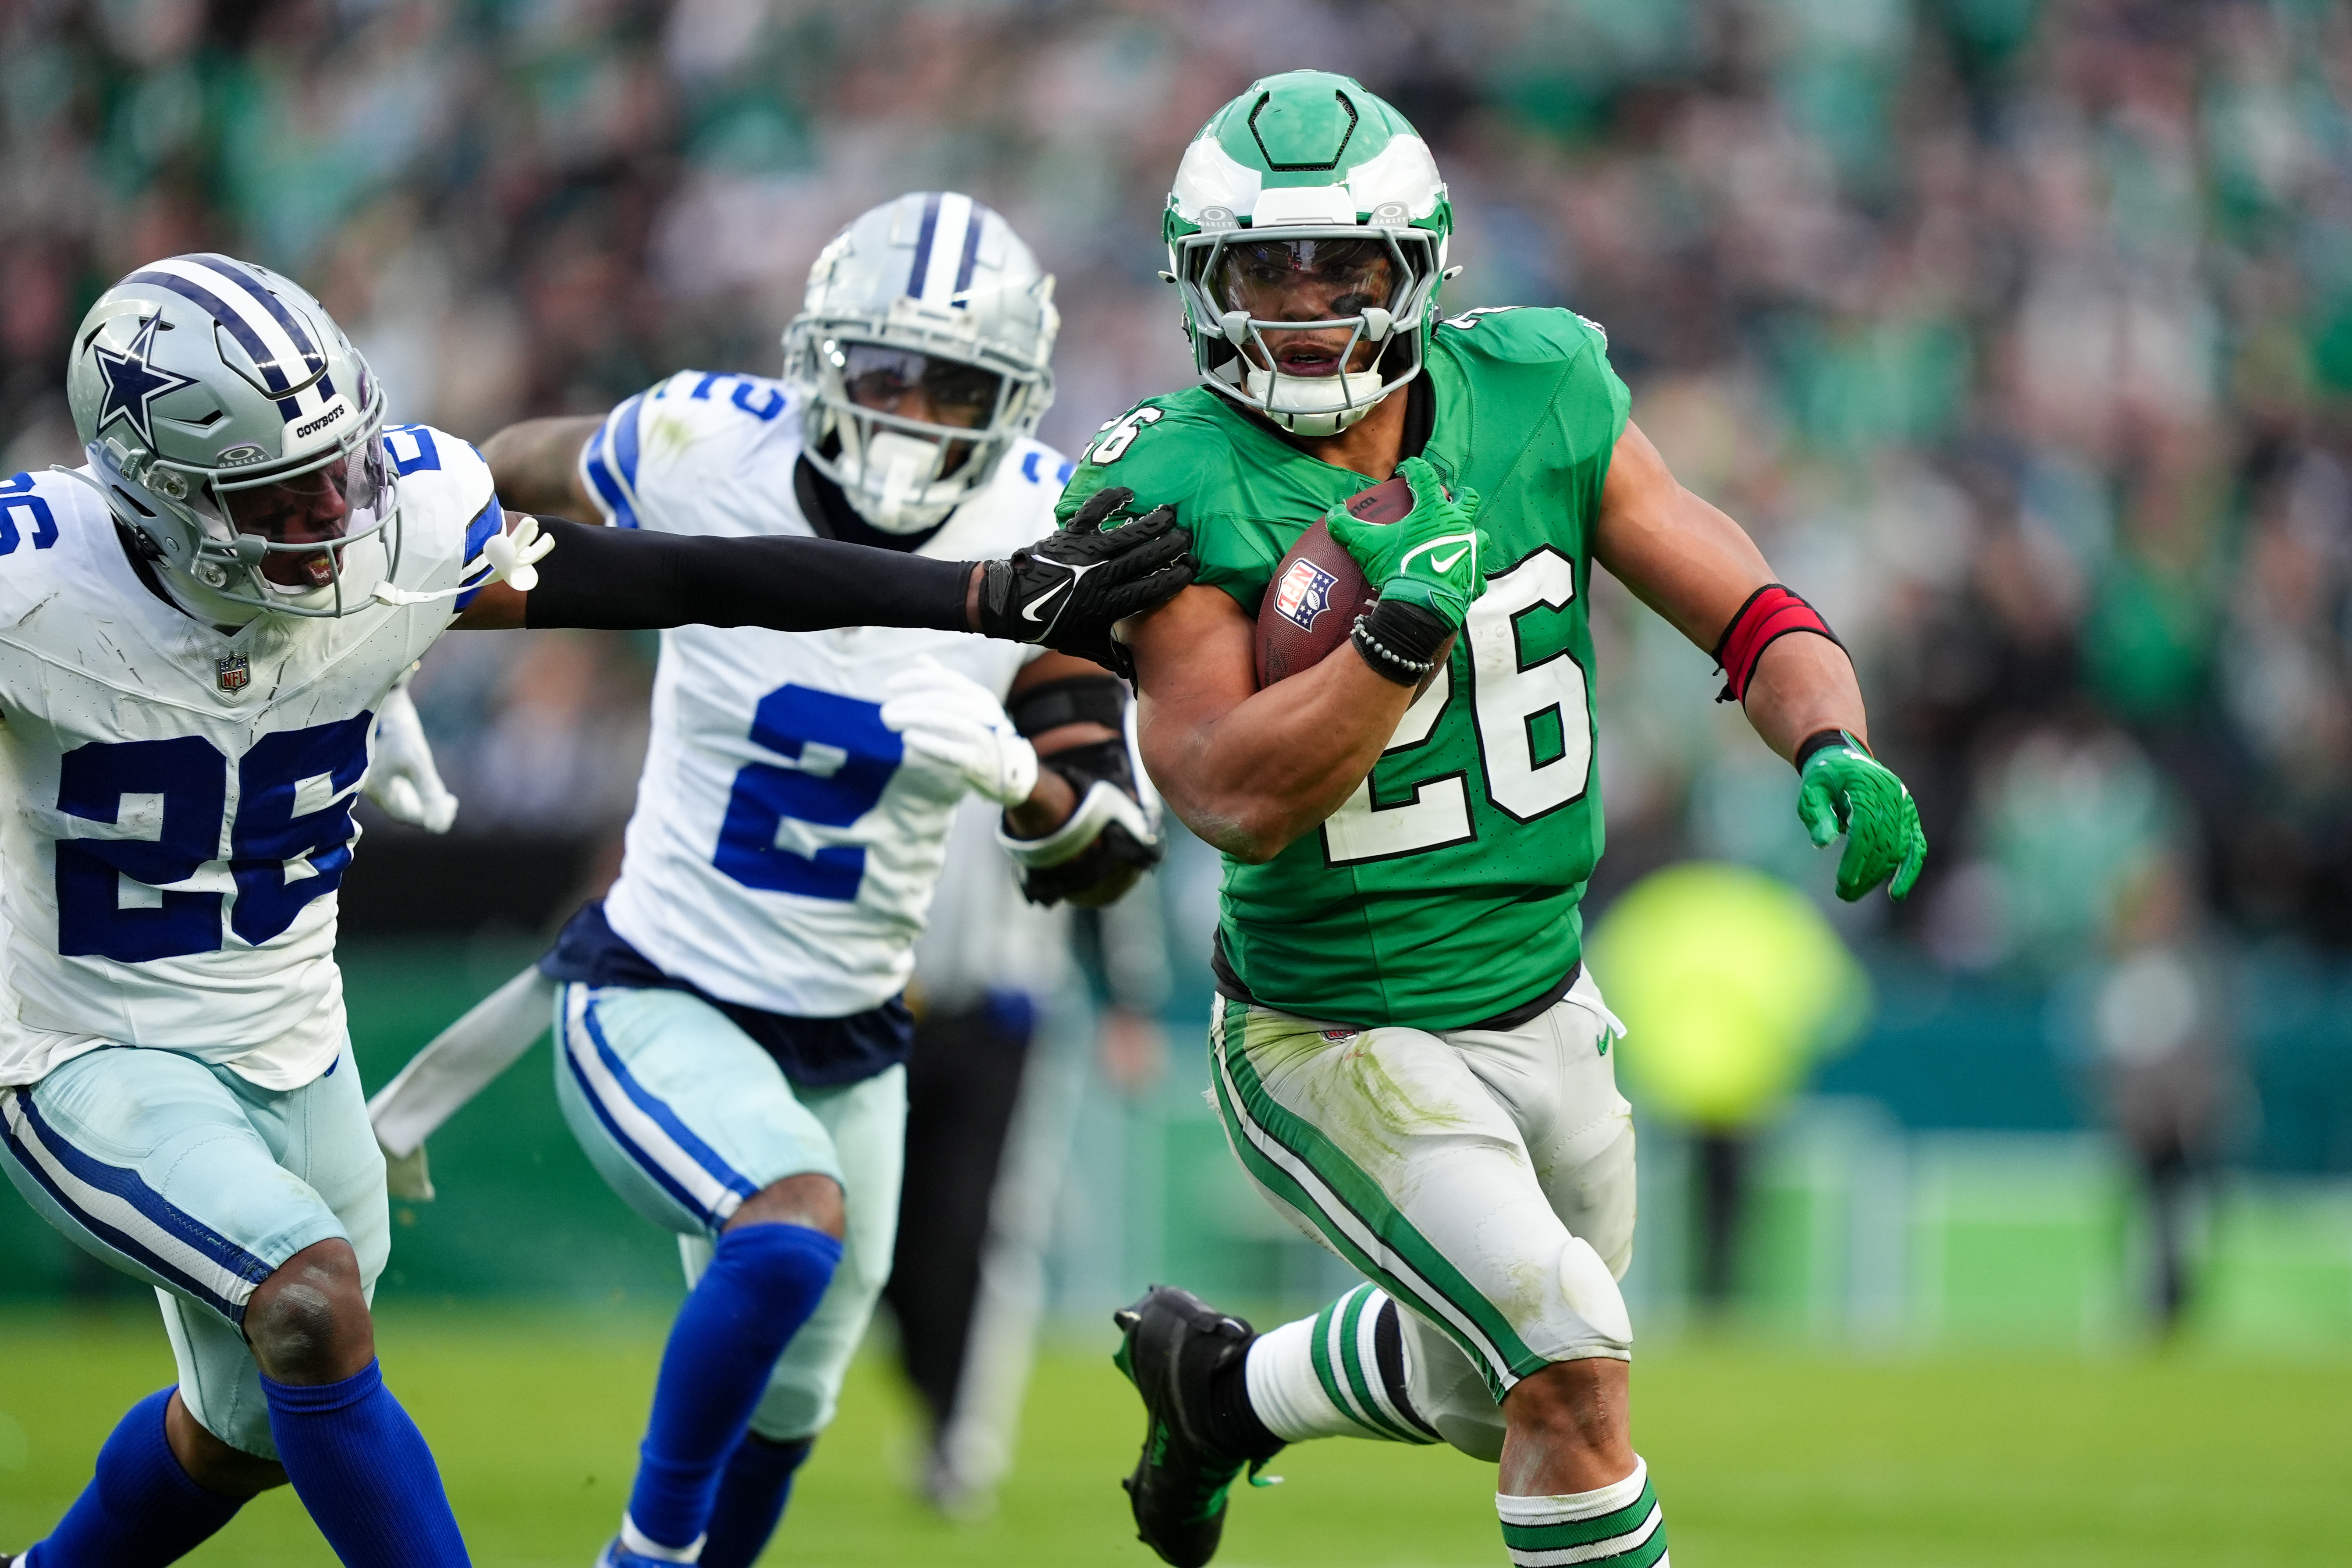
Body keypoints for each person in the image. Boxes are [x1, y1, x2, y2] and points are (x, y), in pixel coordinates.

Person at [0, 249, 1187, 1568]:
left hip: (294, 1033)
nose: (338, 512)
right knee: (312, 1308)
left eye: (345, 464)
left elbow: (690, 578)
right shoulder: (31, 581)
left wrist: (983, 595)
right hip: (89, 1044)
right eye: (282, 496)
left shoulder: (402, 522)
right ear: (157, 496)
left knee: (243, 1431)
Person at [1069, 75, 1928, 1568]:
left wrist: (1833, 735)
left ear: (1422, 266)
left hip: (1547, 989)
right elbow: (1228, 795)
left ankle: (1218, 1393)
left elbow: (1749, 602)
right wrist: (1396, 643)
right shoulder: (1174, 482)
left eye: (1343, 264)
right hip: (1335, 1030)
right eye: (1263, 268)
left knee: (1492, 1388)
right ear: (1199, 283)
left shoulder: (1542, 389)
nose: (1305, 304)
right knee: (1575, 1375)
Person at [477, 192, 1167, 1568]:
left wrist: (1016, 778)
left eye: (953, 383)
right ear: (818, 360)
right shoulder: (696, 442)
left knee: (796, 1395)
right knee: (788, 1234)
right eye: (885, 370)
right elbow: (492, 472)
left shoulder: (1044, 522)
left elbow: (1112, 849)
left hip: (857, 1040)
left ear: (1012, 397)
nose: (913, 409)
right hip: (661, 980)